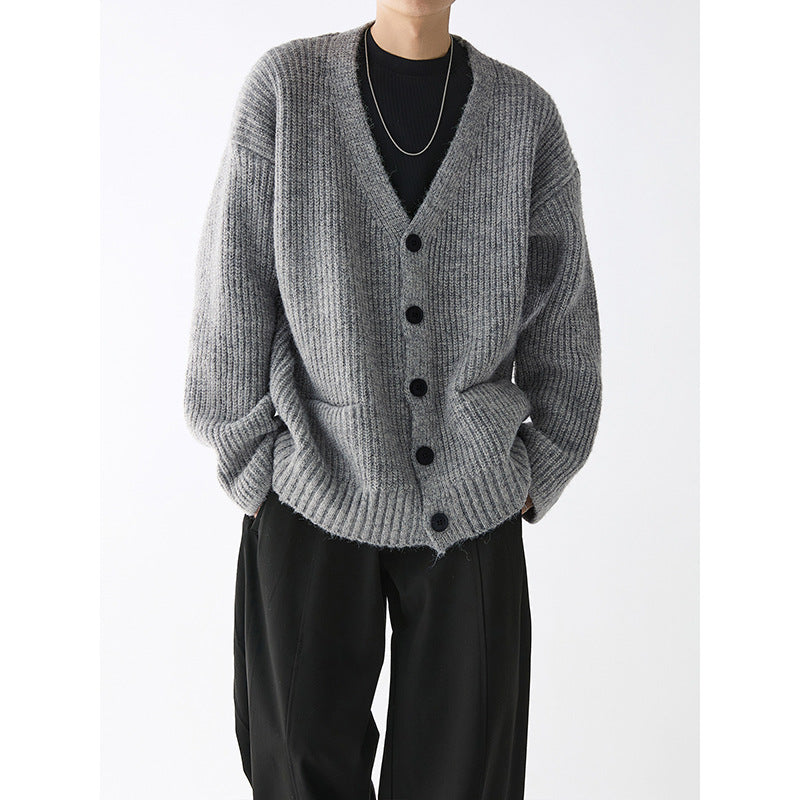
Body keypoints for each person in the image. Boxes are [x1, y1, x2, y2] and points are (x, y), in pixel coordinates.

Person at [184, 3, 602, 798]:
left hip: (472, 505)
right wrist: (252, 464)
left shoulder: (525, 119)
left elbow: (565, 324)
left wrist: (534, 470)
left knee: (465, 779)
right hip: (309, 490)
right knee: (296, 769)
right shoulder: (287, 91)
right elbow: (232, 289)